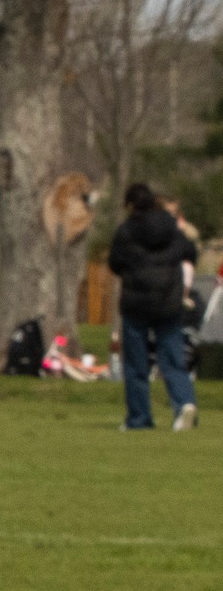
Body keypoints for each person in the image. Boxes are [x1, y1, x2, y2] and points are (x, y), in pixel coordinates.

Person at [108, 181, 198, 431]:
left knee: (136, 364)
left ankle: (139, 418)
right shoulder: (171, 227)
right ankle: (184, 405)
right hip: (168, 302)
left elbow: (114, 263)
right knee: (173, 359)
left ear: (130, 205)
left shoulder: (126, 231)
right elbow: (190, 251)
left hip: (136, 303)